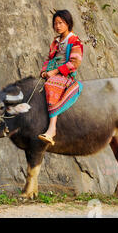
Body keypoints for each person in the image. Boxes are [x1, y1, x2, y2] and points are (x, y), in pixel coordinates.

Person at [38, 10, 83, 145]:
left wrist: (55, 72)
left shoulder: (74, 41)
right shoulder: (56, 41)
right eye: (55, 23)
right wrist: (45, 71)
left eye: (61, 23)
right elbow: (49, 58)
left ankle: (52, 129)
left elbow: (75, 62)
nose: (57, 26)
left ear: (68, 23)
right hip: (52, 72)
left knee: (51, 85)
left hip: (65, 75)